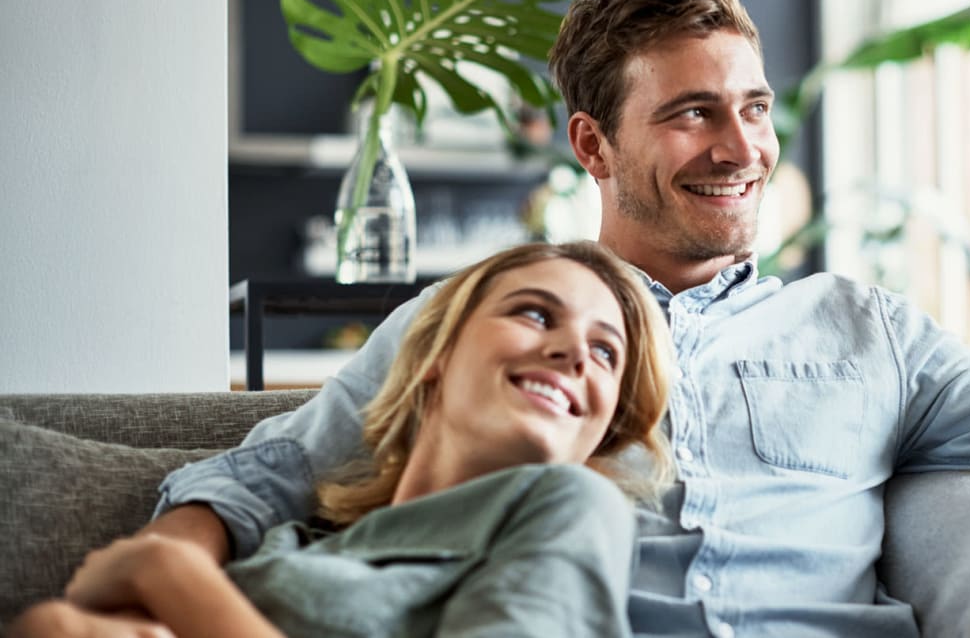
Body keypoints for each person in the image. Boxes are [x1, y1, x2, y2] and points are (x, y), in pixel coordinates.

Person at [74, 0, 970, 638]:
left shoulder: (871, 331)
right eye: (693, 114)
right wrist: (154, 588)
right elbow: (269, 468)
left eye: (755, 108)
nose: (742, 147)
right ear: (592, 144)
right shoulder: (496, 326)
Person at [8, 242, 674, 638]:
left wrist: (171, 577)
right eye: (534, 313)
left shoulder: (576, 509)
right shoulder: (296, 539)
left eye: (606, 353)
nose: (573, 352)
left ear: (601, 423)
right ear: (434, 357)